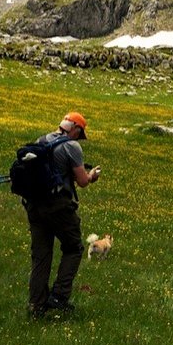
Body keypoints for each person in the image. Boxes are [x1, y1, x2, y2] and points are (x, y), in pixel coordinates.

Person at [25, 111, 101, 318]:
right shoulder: (72, 146)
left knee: (41, 254)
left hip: (34, 205)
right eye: (80, 133)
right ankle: (59, 296)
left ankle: (36, 305)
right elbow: (83, 182)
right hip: (58, 206)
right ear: (75, 128)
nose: (79, 137)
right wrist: (92, 175)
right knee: (74, 247)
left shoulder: (42, 140)